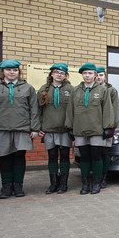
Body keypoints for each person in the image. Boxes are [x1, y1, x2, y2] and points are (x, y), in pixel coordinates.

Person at [0, 59, 40, 199]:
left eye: (15, 70)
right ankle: (6, 187)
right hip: (1, 128)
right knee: (5, 157)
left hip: (22, 128)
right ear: (2, 71)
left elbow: (34, 109)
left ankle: (18, 186)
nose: (12, 72)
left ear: (18, 72)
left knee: (19, 157)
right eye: (8, 70)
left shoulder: (27, 88)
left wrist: (34, 128)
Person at [65, 62, 115, 195]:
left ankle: (97, 183)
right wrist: (70, 127)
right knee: (84, 157)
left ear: (94, 75)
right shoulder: (75, 90)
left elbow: (108, 110)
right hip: (80, 129)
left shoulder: (103, 90)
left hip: (97, 129)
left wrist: (107, 127)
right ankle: (85, 183)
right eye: (85, 73)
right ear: (82, 75)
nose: (87, 76)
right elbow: (70, 110)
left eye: (90, 73)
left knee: (97, 156)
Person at [37, 62, 74, 194]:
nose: (59, 75)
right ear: (52, 74)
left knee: (64, 156)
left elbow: (74, 111)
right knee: (52, 156)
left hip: (64, 129)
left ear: (65, 75)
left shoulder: (71, 89)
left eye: (62, 73)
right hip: (49, 130)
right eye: (57, 72)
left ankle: (63, 183)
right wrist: (38, 127)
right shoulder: (43, 89)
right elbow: (38, 110)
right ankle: (53, 183)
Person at [95, 66, 119, 189]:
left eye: (101, 75)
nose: (98, 77)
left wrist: (111, 126)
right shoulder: (90, 90)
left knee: (104, 152)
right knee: (94, 153)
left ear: (105, 77)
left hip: (107, 126)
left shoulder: (111, 90)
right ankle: (96, 177)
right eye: (97, 75)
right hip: (93, 126)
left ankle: (104, 177)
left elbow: (115, 110)